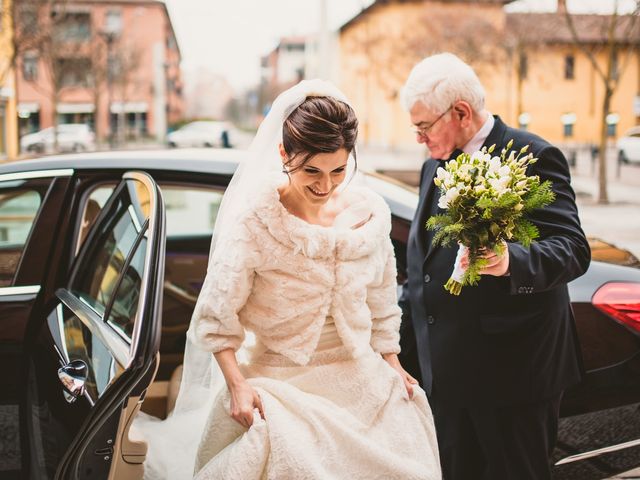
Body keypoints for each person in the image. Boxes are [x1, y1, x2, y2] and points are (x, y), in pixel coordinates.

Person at [139, 80, 441, 480]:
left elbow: (382, 301)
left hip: (361, 375)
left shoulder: (368, 215)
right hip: (281, 381)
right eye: (311, 170)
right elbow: (216, 318)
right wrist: (237, 386)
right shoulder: (255, 222)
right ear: (284, 154)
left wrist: (392, 362)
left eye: (338, 170)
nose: (325, 185)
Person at [398, 53, 590, 480]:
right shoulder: (433, 163)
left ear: (461, 112)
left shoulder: (534, 155)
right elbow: (423, 265)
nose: (418, 137)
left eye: (423, 126)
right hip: (445, 380)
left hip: (514, 379)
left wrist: (509, 262)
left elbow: (572, 249)